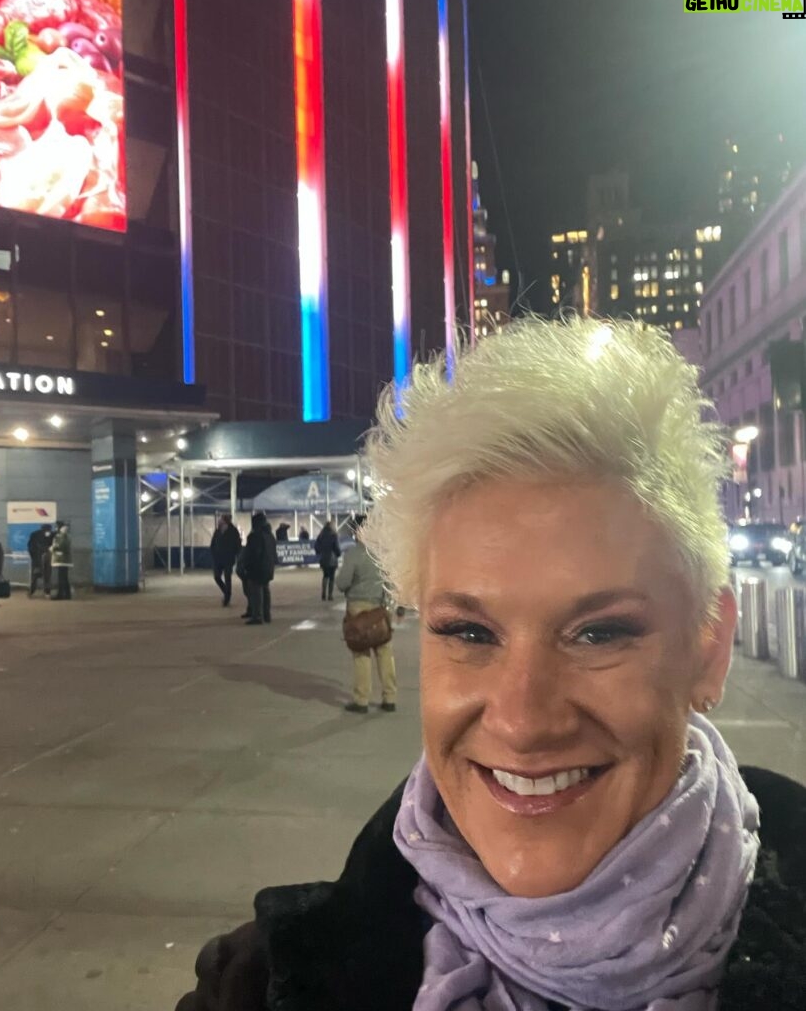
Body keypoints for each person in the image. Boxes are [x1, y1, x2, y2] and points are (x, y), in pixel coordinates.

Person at [175, 317, 806, 1011]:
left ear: (708, 648)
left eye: (597, 634)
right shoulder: (256, 983)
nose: (522, 719)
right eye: (469, 632)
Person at [335, 514, 397, 713]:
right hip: (379, 609)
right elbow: (390, 583)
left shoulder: (354, 553)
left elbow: (342, 582)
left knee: (361, 653)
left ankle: (362, 699)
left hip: (358, 608)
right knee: (384, 651)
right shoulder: (382, 554)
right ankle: (390, 697)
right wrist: (388, 607)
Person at [243, 512, 277, 625]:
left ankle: (257, 616)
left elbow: (253, 553)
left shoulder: (255, 536)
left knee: (256, 591)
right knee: (266, 590)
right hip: (268, 567)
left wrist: (247, 565)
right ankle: (267, 614)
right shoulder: (270, 535)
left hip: (257, 567)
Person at [210, 514, 241, 607]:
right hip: (218, 559)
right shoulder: (217, 530)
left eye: (221, 519)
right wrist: (213, 553)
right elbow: (213, 543)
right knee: (216, 577)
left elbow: (238, 545)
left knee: (228, 578)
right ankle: (226, 592)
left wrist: (235, 555)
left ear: (225, 520)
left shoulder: (233, 531)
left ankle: (227, 598)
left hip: (228, 559)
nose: (219, 520)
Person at [313, 519, 341, 601]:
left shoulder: (320, 535)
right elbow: (336, 547)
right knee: (332, 577)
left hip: (323, 558)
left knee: (325, 575)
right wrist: (338, 554)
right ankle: (330, 595)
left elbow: (316, 547)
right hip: (332, 559)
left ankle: (323, 594)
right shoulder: (334, 535)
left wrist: (320, 552)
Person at [27, 523, 53, 597]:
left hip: (40, 559)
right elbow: (31, 547)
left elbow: (30, 546)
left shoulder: (35, 534)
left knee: (38, 576)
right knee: (43, 575)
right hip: (40, 559)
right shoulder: (36, 535)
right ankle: (43, 592)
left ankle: (34, 591)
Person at [50, 522, 73, 601]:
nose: (55, 529)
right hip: (61, 560)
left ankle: (62, 594)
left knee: (62, 578)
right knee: (63, 578)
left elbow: (62, 545)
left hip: (62, 560)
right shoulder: (61, 536)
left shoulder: (64, 536)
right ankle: (66, 594)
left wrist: (53, 548)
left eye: (57, 527)